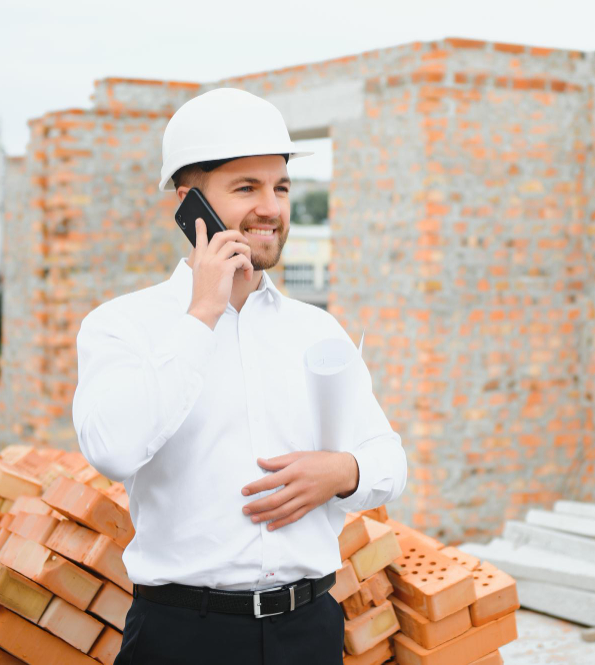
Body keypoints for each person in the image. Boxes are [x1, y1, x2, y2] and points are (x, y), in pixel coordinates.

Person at [72, 87, 407, 664]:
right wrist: (203, 313)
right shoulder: (122, 324)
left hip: (308, 632)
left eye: (281, 187)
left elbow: (390, 460)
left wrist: (343, 472)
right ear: (190, 204)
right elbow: (113, 450)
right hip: (181, 638)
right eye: (247, 188)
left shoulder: (316, 329)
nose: (271, 208)